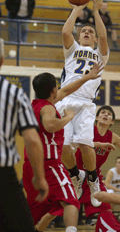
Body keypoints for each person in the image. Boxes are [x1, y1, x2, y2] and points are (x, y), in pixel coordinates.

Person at [22, 63, 103, 232]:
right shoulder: (47, 108)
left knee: (39, 210)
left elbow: (67, 91)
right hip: (48, 164)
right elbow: (50, 125)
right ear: (53, 89)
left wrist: (88, 77)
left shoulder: (32, 105)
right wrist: (68, 117)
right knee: (72, 201)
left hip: (30, 166)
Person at [33, 105, 120, 231]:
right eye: (103, 112)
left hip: (94, 178)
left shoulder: (113, 137)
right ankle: (37, 230)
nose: (106, 114)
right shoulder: (88, 129)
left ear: (112, 121)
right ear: (96, 117)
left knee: (105, 208)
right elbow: (73, 142)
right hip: (76, 175)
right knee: (56, 210)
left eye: (109, 114)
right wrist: (97, 144)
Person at [55, 0, 109, 208]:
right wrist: (77, 8)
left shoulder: (100, 55)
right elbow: (65, 31)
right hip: (66, 99)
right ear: (79, 37)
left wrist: (95, 11)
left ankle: (93, 179)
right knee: (65, 148)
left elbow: (104, 38)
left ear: (94, 39)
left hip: (86, 103)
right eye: (84, 31)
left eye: (90, 32)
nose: (87, 32)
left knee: (86, 145)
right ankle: (76, 175)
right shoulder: (72, 50)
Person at [0, 38, 49, 232]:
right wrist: (39, 178)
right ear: (2, 60)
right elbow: (32, 140)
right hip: (3, 177)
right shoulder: (14, 93)